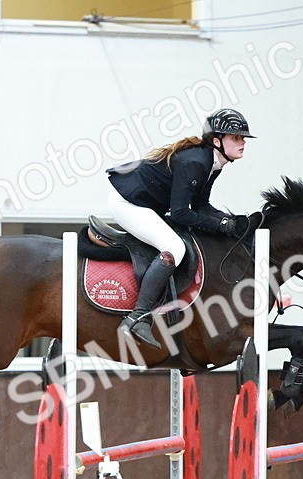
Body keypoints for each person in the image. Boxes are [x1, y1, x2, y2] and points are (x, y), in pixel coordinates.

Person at [106, 108, 254, 348]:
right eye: (236, 137)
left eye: (243, 138)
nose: (243, 143)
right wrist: (218, 224)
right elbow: (181, 213)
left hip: (143, 203)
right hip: (127, 202)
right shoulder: (196, 162)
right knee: (174, 247)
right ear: (217, 141)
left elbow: (201, 205)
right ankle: (136, 317)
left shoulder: (213, 163)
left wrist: (232, 223)